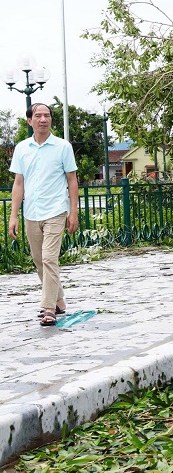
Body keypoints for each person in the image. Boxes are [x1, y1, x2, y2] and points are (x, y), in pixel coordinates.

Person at [8, 103, 79, 326]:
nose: (43, 119)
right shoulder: (22, 148)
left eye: (47, 115)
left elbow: (72, 179)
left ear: (51, 120)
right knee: (40, 261)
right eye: (38, 116)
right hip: (32, 212)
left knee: (49, 258)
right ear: (29, 121)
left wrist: (73, 212)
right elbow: (19, 183)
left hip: (56, 210)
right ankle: (59, 301)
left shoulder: (62, 147)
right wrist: (13, 215)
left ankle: (48, 308)